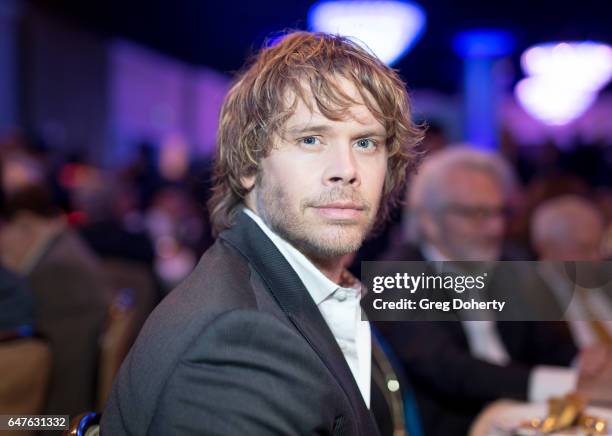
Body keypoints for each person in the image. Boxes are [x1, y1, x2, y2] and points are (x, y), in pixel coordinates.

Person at [102, 31, 424, 435]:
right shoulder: (236, 342)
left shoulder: (294, 287)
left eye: (365, 142)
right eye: (310, 139)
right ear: (248, 165)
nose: (346, 168)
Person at [378, 147, 580, 436]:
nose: (495, 227)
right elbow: (450, 370)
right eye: (476, 214)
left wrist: (583, 365)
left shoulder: (510, 264)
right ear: (429, 222)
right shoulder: (396, 275)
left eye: (499, 212)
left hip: (530, 417)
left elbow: (551, 343)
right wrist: (566, 383)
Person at [531, 195, 612, 347]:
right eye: (584, 249)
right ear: (548, 249)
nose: (596, 258)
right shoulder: (530, 296)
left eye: (598, 246)